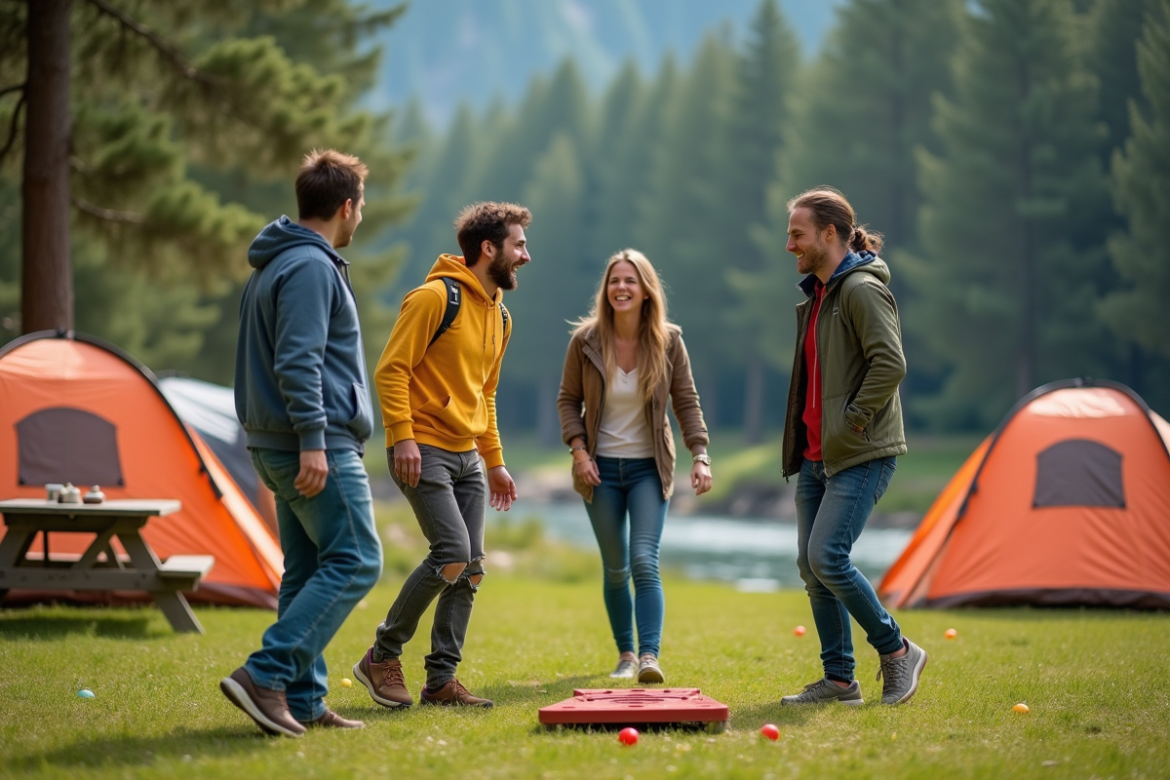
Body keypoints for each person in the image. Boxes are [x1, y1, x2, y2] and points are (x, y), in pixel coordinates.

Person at [221, 149, 382, 736]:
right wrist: (315, 439)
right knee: (358, 559)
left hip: (277, 442)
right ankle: (264, 674)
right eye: (361, 207)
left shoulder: (276, 263)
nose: (360, 217)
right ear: (346, 206)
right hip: (313, 445)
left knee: (308, 568)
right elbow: (297, 362)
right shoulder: (312, 267)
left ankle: (304, 701)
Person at [353, 202, 530, 709]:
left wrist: (493, 461)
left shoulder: (501, 315)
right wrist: (402, 435)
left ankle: (440, 681)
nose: (526, 256)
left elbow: (485, 393)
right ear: (488, 249)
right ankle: (381, 655)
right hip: (422, 447)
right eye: (518, 245)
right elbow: (391, 370)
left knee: (471, 567)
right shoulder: (434, 298)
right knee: (451, 553)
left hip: (467, 455)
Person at [778, 187, 926, 707]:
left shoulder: (861, 289)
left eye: (797, 233)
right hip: (818, 455)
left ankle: (897, 649)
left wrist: (856, 420)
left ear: (830, 234)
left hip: (859, 451)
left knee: (828, 556)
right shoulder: (820, 296)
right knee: (811, 563)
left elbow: (891, 363)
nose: (789, 243)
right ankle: (840, 680)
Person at [557, 249, 712, 685]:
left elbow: (687, 401)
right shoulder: (585, 340)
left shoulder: (669, 340)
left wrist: (700, 453)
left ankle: (648, 656)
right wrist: (580, 452)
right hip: (599, 472)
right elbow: (568, 400)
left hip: (648, 469)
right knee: (615, 568)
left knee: (644, 560)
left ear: (646, 291)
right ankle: (624, 653)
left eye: (630, 281)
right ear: (606, 291)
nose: (621, 288)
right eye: (614, 281)